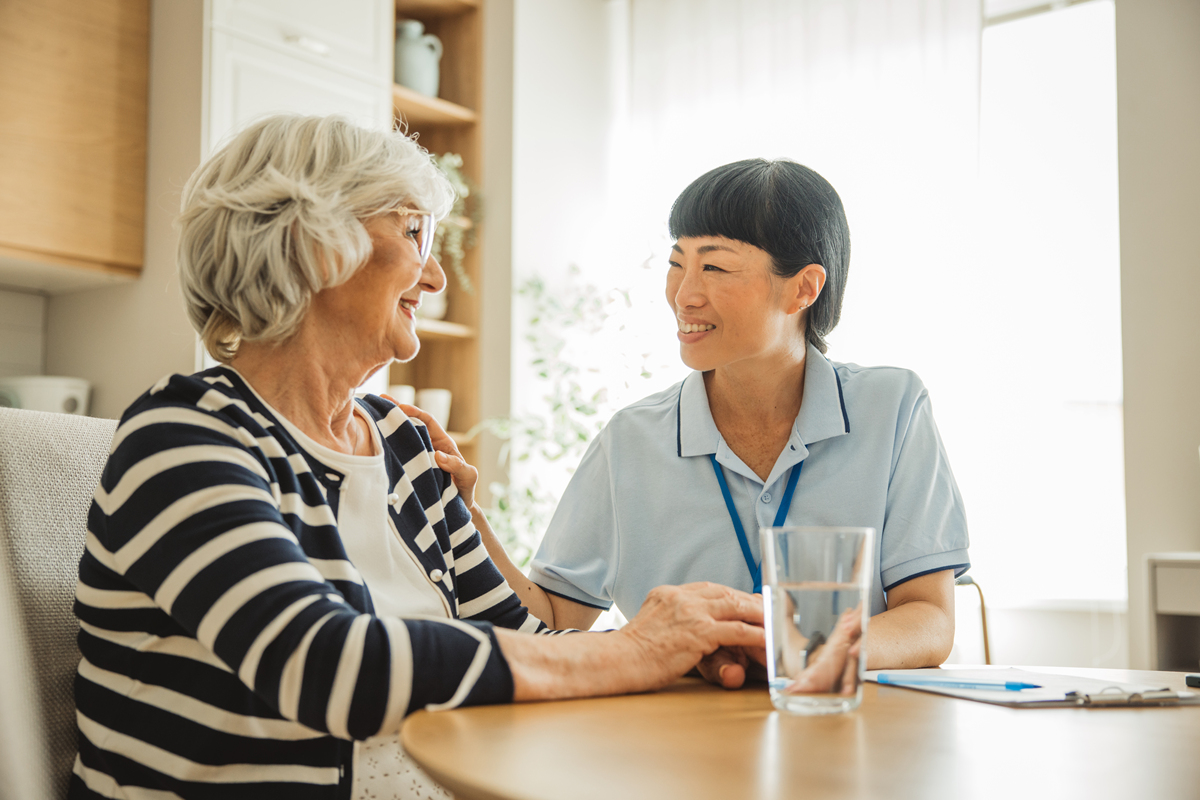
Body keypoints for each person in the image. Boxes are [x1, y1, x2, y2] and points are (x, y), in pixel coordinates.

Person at [69, 115, 764, 800]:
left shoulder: (405, 445)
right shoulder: (184, 435)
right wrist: (635, 649)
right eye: (411, 233)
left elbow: (530, 642)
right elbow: (328, 668)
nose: (434, 275)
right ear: (313, 242)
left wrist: (688, 654)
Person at [441, 158, 970, 689]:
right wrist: (467, 517)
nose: (684, 293)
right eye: (677, 263)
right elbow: (551, 620)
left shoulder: (893, 408)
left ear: (803, 288)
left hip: (845, 737)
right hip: (677, 752)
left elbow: (929, 619)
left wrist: (797, 648)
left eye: (714, 267)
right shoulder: (631, 440)